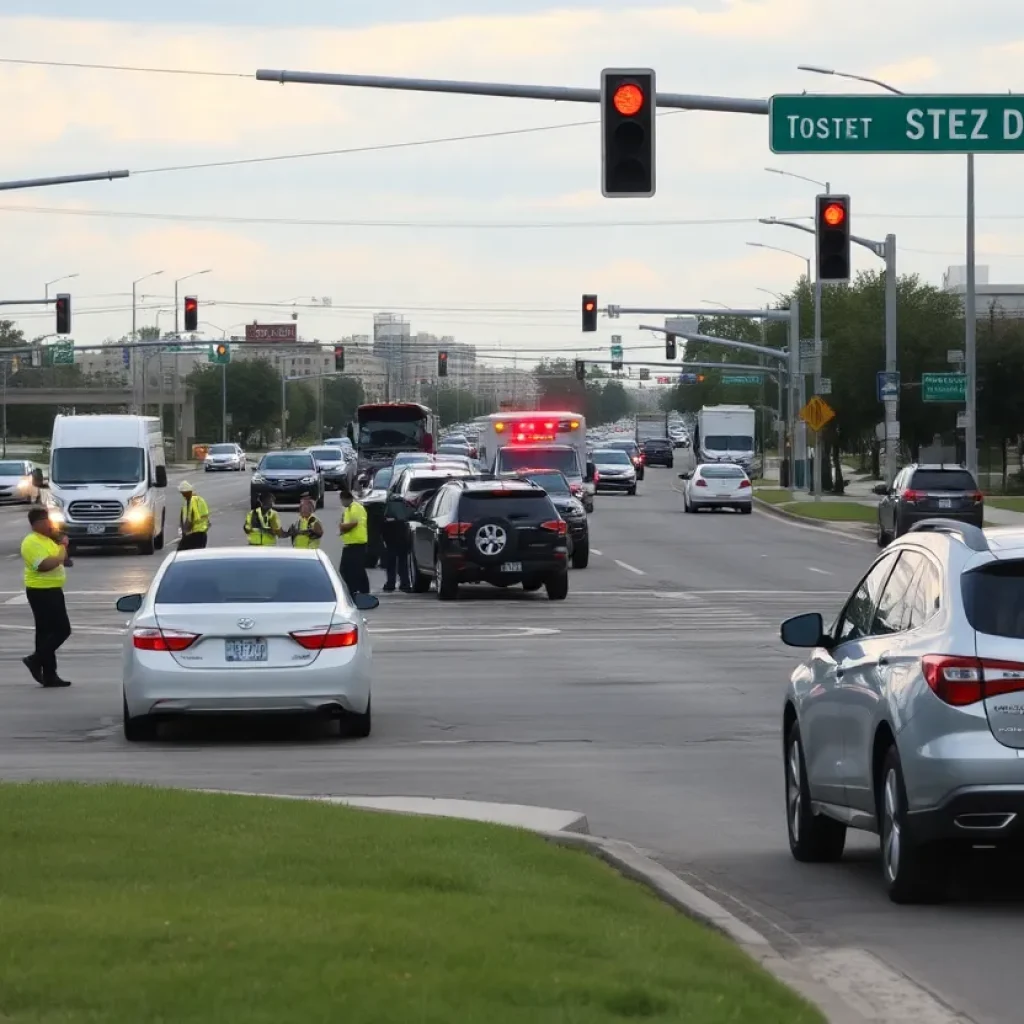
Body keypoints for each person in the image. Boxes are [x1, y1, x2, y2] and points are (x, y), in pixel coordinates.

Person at [21, 506, 72, 687]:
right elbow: (45, 565)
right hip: (41, 591)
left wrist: (60, 543)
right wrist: (62, 547)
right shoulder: (31, 542)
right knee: (62, 630)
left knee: (45, 634)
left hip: (53, 590)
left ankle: (50, 674)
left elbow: (65, 560)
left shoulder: (48, 540)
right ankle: (35, 659)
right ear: (37, 524)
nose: (50, 525)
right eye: (47, 521)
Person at [338, 486, 370, 595]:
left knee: (355, 569)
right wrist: (343, 529)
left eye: (342, 500)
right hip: (350, 543)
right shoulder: (348, 509)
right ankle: (356, 589)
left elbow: (354, 523)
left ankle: (359, 590)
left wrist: (342, 527)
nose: (341, 503)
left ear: (346, 499)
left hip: (357, 543)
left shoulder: (355, 507)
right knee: (350, 569)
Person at [381, 489, 412, 593]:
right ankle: (405, 583)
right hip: (403, 539)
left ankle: (391, 583)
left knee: (391, 563)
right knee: (403, 563)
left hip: (391, 540)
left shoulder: (387, 510)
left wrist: (383, 540)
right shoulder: (404, 510)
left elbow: (382, 528)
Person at [178, 480, 210, 550]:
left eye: (183, 493)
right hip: (199, 533)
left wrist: (186, 530)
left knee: (181, 552)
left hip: (195, 534)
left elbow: (194, 517)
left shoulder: (193, 501)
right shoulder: (191, 501)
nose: (182, 495)